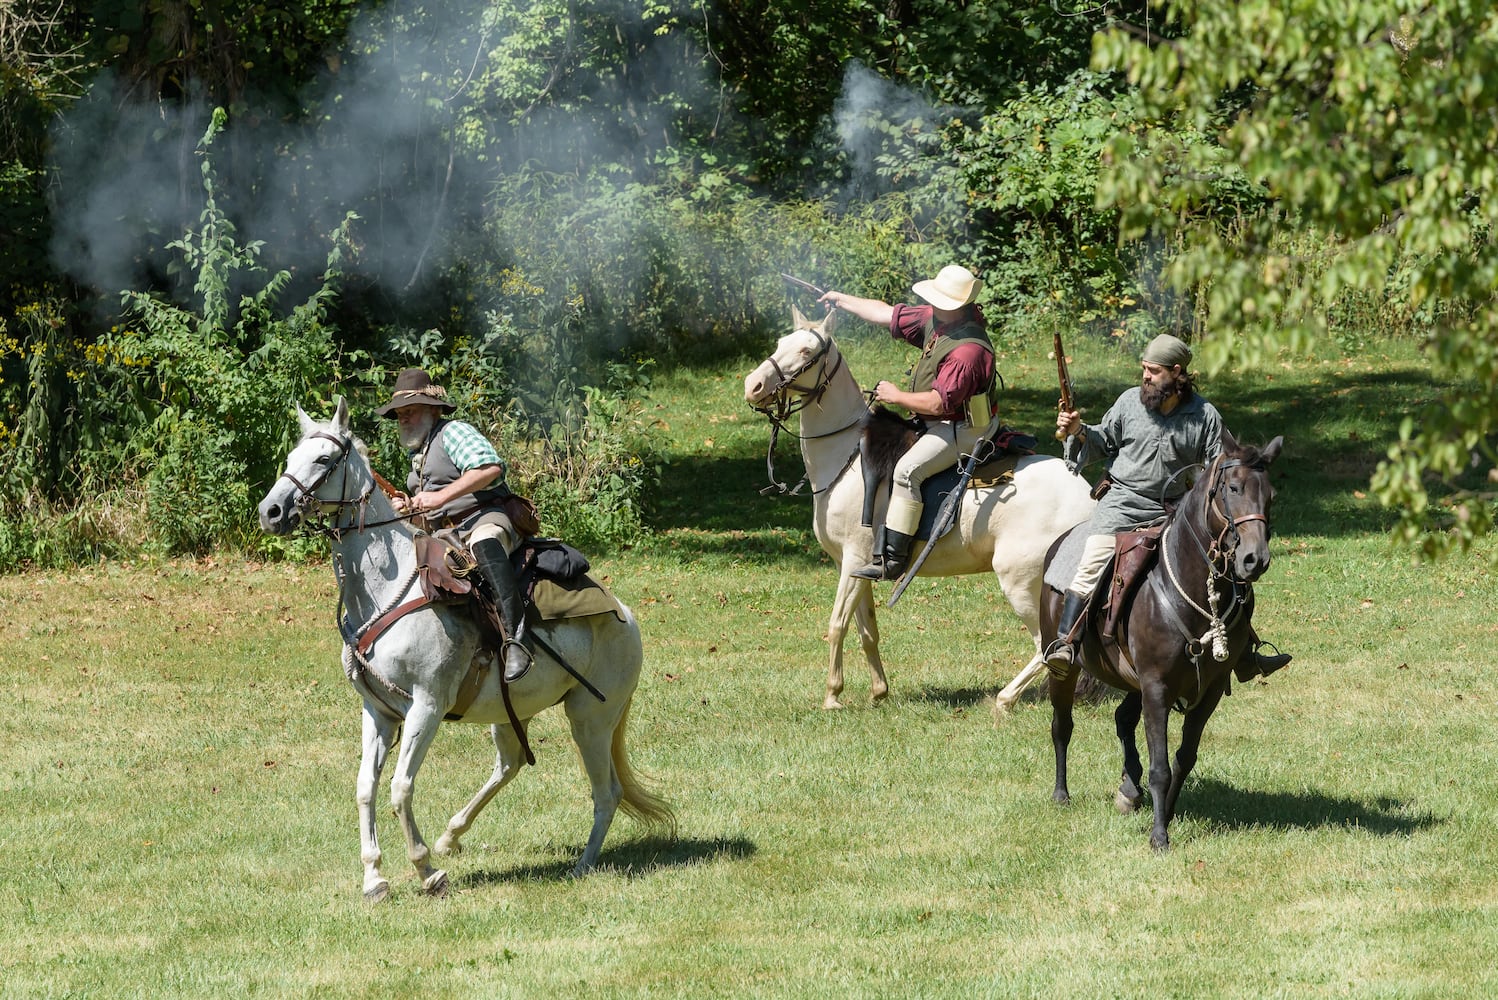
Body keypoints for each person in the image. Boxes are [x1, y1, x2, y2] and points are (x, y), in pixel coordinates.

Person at [1045, 333, 1291, 683]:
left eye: (1153, 370)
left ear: (1177, 373)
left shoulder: (1205, 416)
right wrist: (1078, 431)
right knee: (1091, 563)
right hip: (1121, 506)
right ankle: (1065, 644)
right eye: (1144, 369)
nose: (1145, 376)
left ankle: (1245, 652)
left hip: (1174, 512)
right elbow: (1103, 440)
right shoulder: (1130, 402)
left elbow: (1221, 467)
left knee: (1227, 573)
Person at [819, 264, 999, 580]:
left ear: (954, 305)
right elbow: (886, 313)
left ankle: (893, 558)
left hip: (965, 429)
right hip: (939, 423)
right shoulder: (939, 318)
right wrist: (840, 299)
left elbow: (938, 402)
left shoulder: (968, 350)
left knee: (907, 471)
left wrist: (896, 395)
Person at [376, 367, 532, 683]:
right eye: (399, 414)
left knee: (483, 545)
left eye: (410, 411)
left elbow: (490, 468)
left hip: (485, 518)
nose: (403, 419)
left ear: (433, 410)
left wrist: (440, 496)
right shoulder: (419, 454)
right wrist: (408, 510)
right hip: (448, 534)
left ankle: (517, 640)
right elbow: (432, 513)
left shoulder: (454, 432)